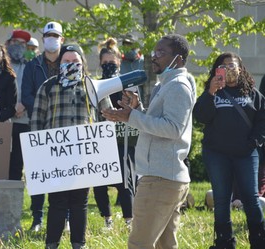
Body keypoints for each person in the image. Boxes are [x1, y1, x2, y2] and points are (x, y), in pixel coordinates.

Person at [102, 34, 196, 249]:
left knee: (139, 244)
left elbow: (173, 129)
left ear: (178, 59)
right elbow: (159, 124)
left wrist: (132, 117)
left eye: (161, 53)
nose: (154, 57)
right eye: (154, 52)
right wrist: (137, 111)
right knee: (165, 245)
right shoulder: (166, 84)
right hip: (165, 177)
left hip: (161, 179)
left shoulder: (177, 86)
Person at [31, 43, 111, 249]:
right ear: (59, 64)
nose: (71, 64)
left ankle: (79, 244)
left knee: (80, 202)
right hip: (55, 154)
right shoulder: (47, 86)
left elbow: (108, 117)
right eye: (66, 61)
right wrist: (37, 155)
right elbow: (37, 121)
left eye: (75, 61)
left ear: (83, 63)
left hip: (85, 155)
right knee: (56, 202)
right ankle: (52, 244)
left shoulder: (95, 87)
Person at [193, 52, 265, 249]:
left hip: (246, 154)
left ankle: (259, 241)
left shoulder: (251, 93)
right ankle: (224, 242)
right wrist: (211, 93)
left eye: (233, 65)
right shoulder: (212, 92)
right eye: (224, 66)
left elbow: (262, 119)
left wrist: (255, 141)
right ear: (218, 70)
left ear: (241, 69)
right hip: (217, 154)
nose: (230, 69)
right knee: (222, 198)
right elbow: (201, 116)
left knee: (251, 198)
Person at [22, 21, 65, 232]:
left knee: (63, 175)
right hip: (39, 126)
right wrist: (45, 106)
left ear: (62, 39)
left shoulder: (69, 62)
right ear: (43, 39)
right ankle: (37, 219)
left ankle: (64, 218)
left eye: (55, 36)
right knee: (39, 175)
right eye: (48, 35)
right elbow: (26, 95)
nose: (52, 39)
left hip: (63, 127)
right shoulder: (33, 66)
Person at [93, 37, 134, 229]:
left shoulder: (127, 85)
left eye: (112, 62)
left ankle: (128, 220)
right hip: (100, 140)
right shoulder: (94, 85)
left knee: (124, 182)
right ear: (101, 63)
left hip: (121, 140)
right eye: (105, 62)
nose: (109, 65)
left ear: (119, 61)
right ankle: (107, 219)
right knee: (99, 182)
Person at [5, 29, 31, 182]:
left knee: (17, 161)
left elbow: (35, 89)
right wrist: (11, 107)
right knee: (2, 159)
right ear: (8, 43)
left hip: (23, 120)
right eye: (16, 42)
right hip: (4, 120)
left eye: (23, 44)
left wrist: (24, 105)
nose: (19, 46)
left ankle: (15, 197)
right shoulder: (1, 65)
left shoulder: (30, 66)